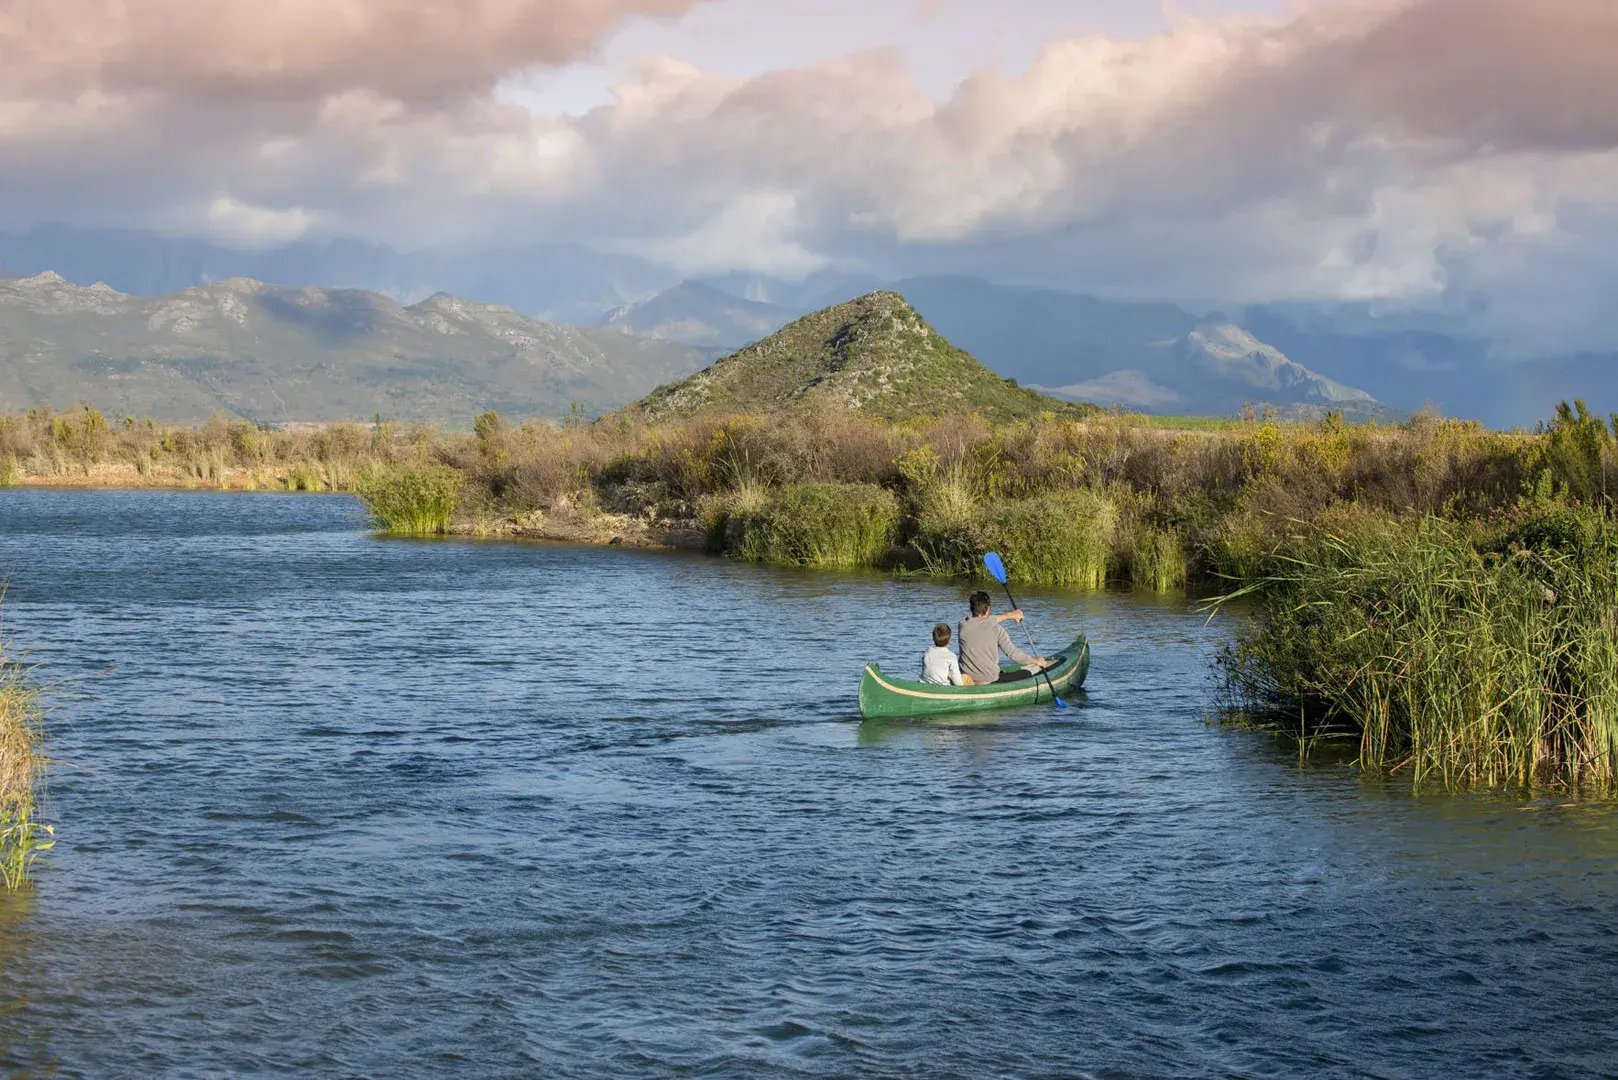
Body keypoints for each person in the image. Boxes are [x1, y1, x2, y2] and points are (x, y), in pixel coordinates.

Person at [957, 590, 1050, 685]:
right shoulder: (997, 630)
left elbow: (986, 621)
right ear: (988, 609)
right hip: (990, 680)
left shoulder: (963, 625)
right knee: (1027, 672)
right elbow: (1013, 654)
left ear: (971, 608)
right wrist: (1035, 660)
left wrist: (1011, 615)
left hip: (966, 678)